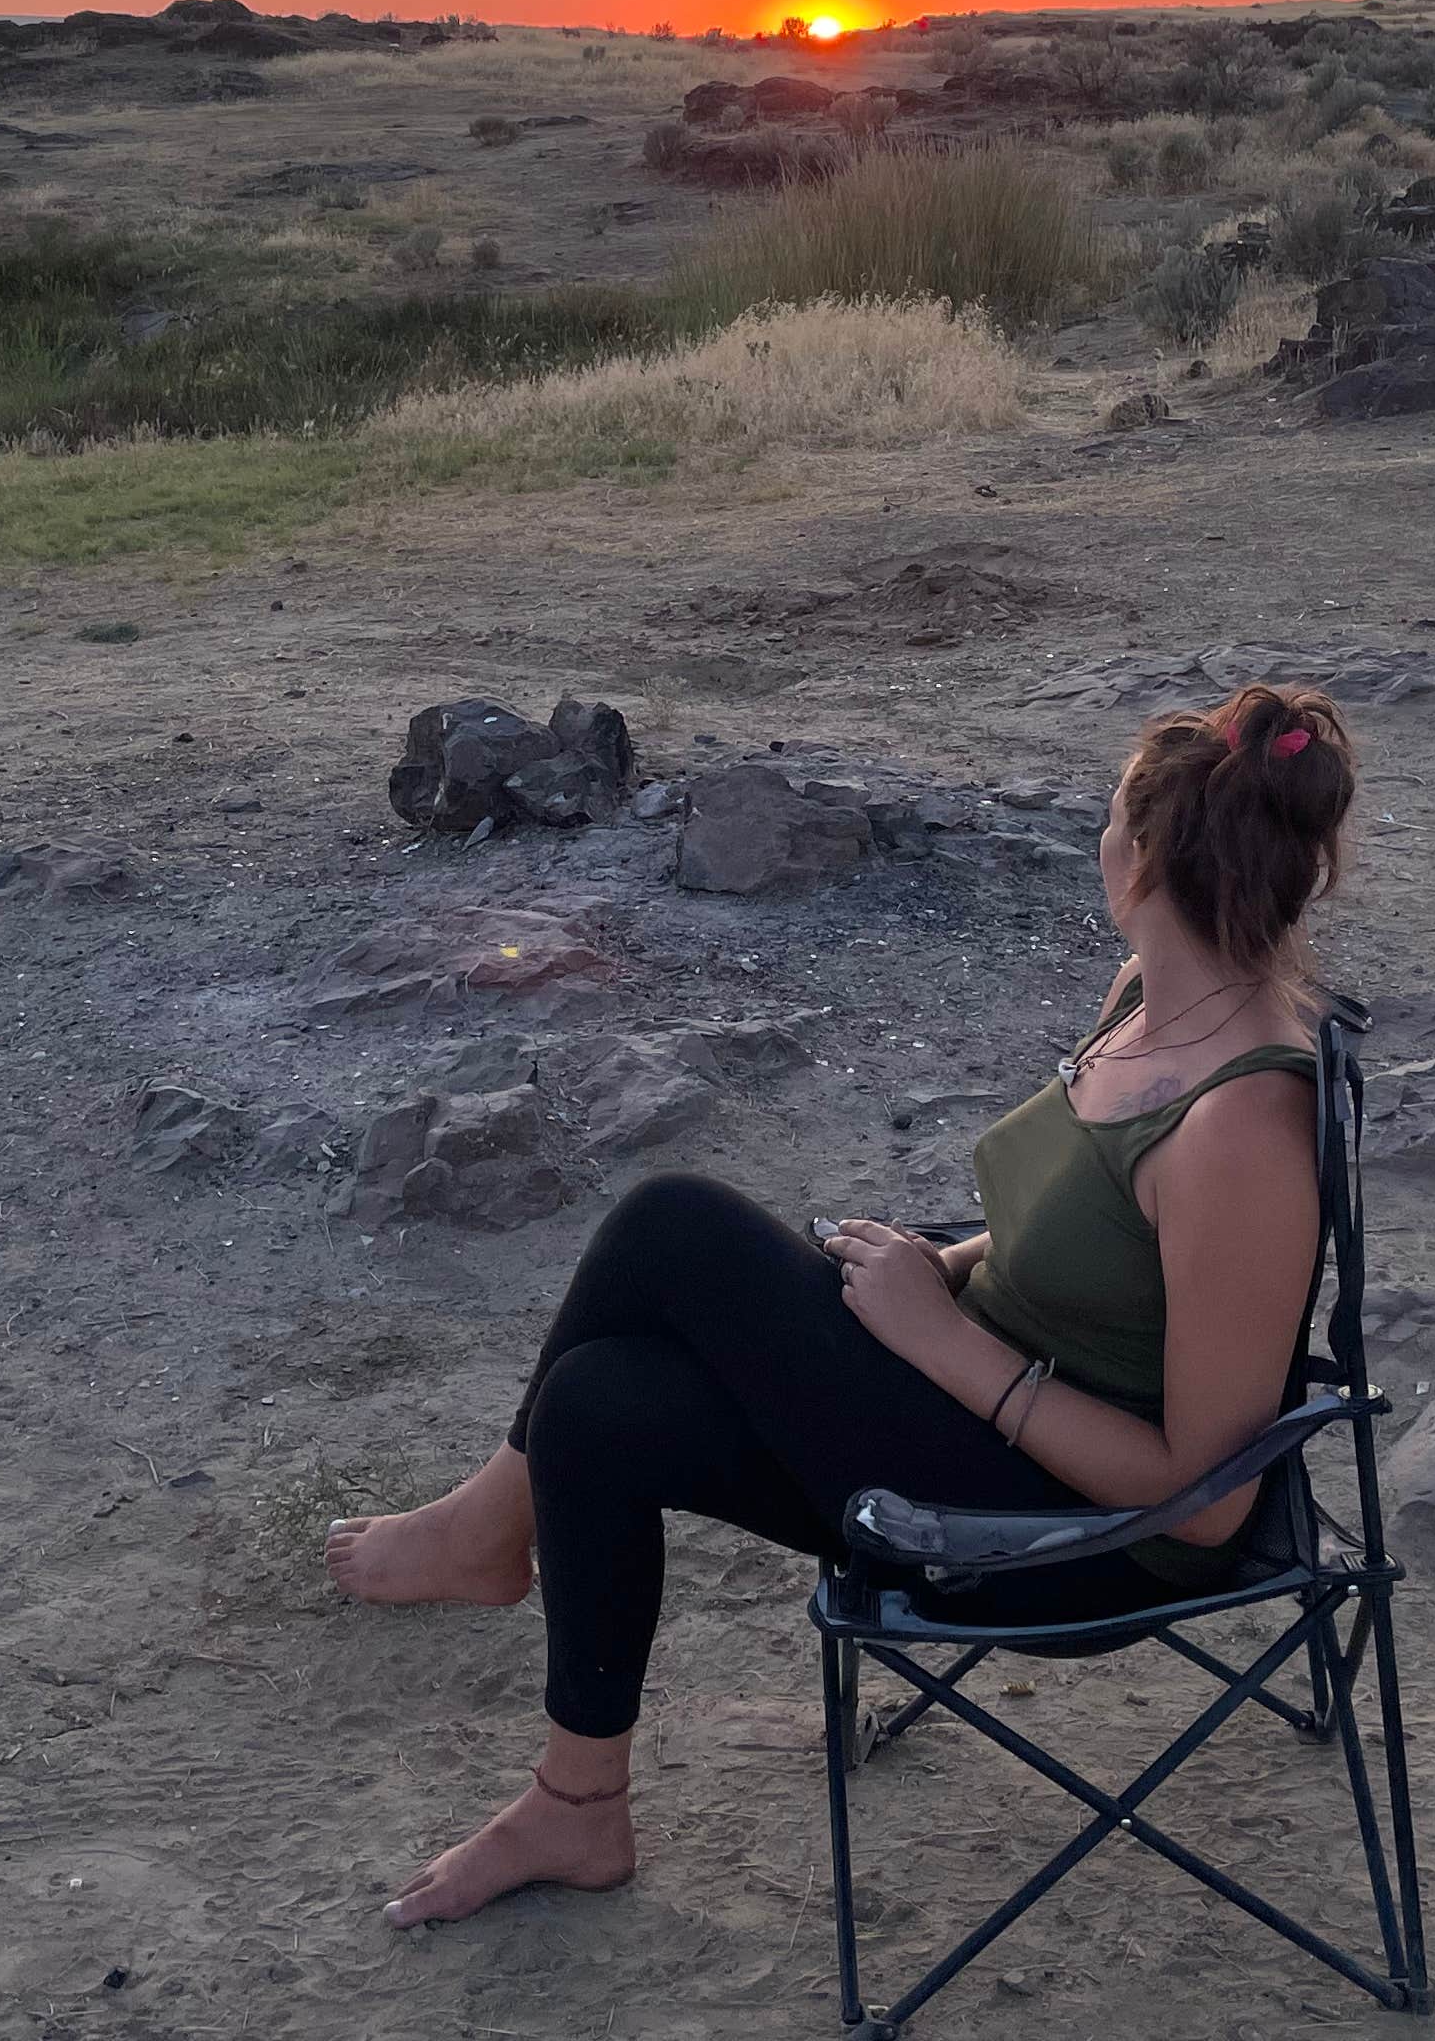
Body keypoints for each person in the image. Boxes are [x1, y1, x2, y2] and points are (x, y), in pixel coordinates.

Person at [326, 680, 1360, 1927]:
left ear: (1143, 856)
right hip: (980, 1408)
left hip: (1073, 1548)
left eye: (1109, 818)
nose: (1100, 841)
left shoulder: (1242, 1128)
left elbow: (1206, 1501)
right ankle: (577, 1805)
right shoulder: (1153, 997)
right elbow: (1098, 1242)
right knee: (597, 1407)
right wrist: (946, 1268)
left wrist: (940, 1337)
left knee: (674, 1223)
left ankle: (486, 1530)